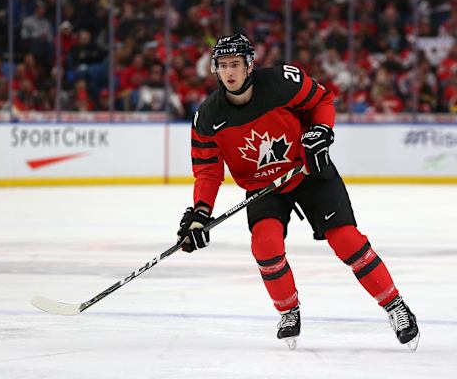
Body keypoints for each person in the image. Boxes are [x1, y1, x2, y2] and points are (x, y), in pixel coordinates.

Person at [176, 34, 420, 351]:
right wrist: (200, 214)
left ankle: (395, 305)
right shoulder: (207, 117)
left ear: (249, 65)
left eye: (235, 64)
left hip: (308, 170)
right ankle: (288, 311)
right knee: (265, 245)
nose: (230, 72)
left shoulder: (281, 82)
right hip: (264, 189)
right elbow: (208, 171)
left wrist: (321, 131)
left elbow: (322, 100)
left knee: (346, 240)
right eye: (223, 66)